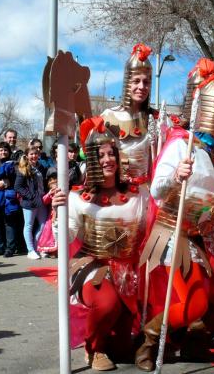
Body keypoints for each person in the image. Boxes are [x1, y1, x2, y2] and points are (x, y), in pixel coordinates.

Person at [136, 72, 214, 370]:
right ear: (207, 113)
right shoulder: (181, 145)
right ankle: (148, 339)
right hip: (175, 230)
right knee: (194, 303)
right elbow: (158, 189)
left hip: (205, 233)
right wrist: (176, 176)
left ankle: (195, 341)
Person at [51, 117, 151, 371]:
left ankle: (109, 340)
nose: (108, 159)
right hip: (92, 265)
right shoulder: (77, 198)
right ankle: (92, 348)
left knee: (122, 349)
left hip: (128, 271)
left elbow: (149, 224)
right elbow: (66, 237)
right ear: (92, 161)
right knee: (107, 303)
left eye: (112, 154)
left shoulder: (137, 195)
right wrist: (57, 213)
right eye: (100, 155)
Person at [101, 43, 154, 185]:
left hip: (146, 192)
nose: (142, 87)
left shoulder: (156, 119)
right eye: (136, 81)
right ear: (127, 83)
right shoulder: (108, 116)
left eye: (146, 82)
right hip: (117, 191)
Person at [14, 146, 47, 260]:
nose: (34, 156)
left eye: (36, 154)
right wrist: (31, 196)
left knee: (43, 225)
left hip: (42, 200)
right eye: (31, 154)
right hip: (30, 202)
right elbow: (18, 187)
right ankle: (30, 250)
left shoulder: (41, 167)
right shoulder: (23, 168)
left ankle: (37, 247)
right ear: (27, 156)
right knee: (29, 225)